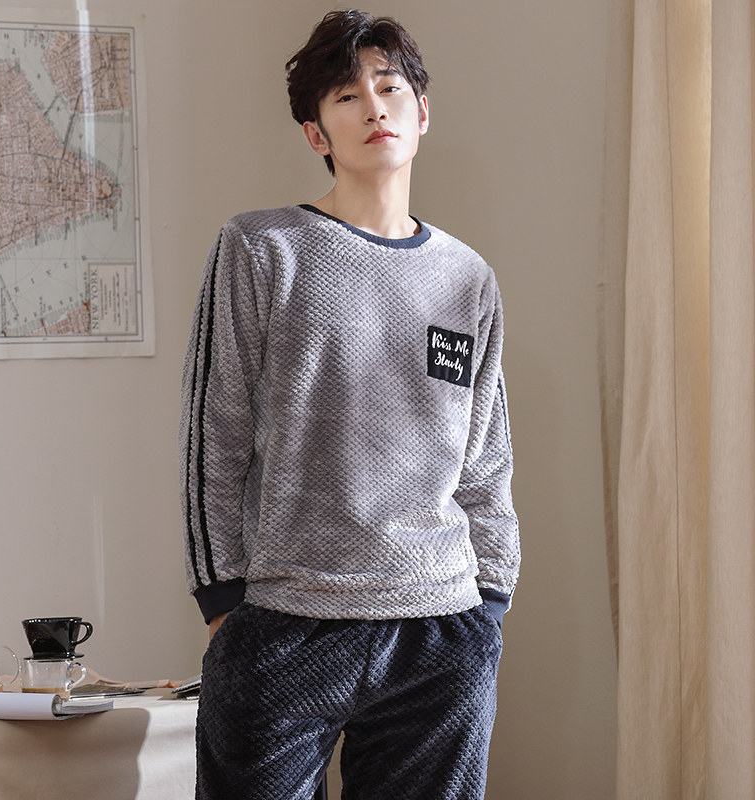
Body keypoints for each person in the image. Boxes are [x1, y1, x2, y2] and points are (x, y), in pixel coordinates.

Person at [179, 9, 520, 800]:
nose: (374, 106)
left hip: (441, 631)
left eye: (390, 88)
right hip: (284, 623)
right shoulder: (261, 248)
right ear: (316, 134)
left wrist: (490, 602)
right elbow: (214, 434)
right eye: (346, 95)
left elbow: (486, 458)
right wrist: (224, 603)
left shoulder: (467, 278)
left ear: (422, 112)